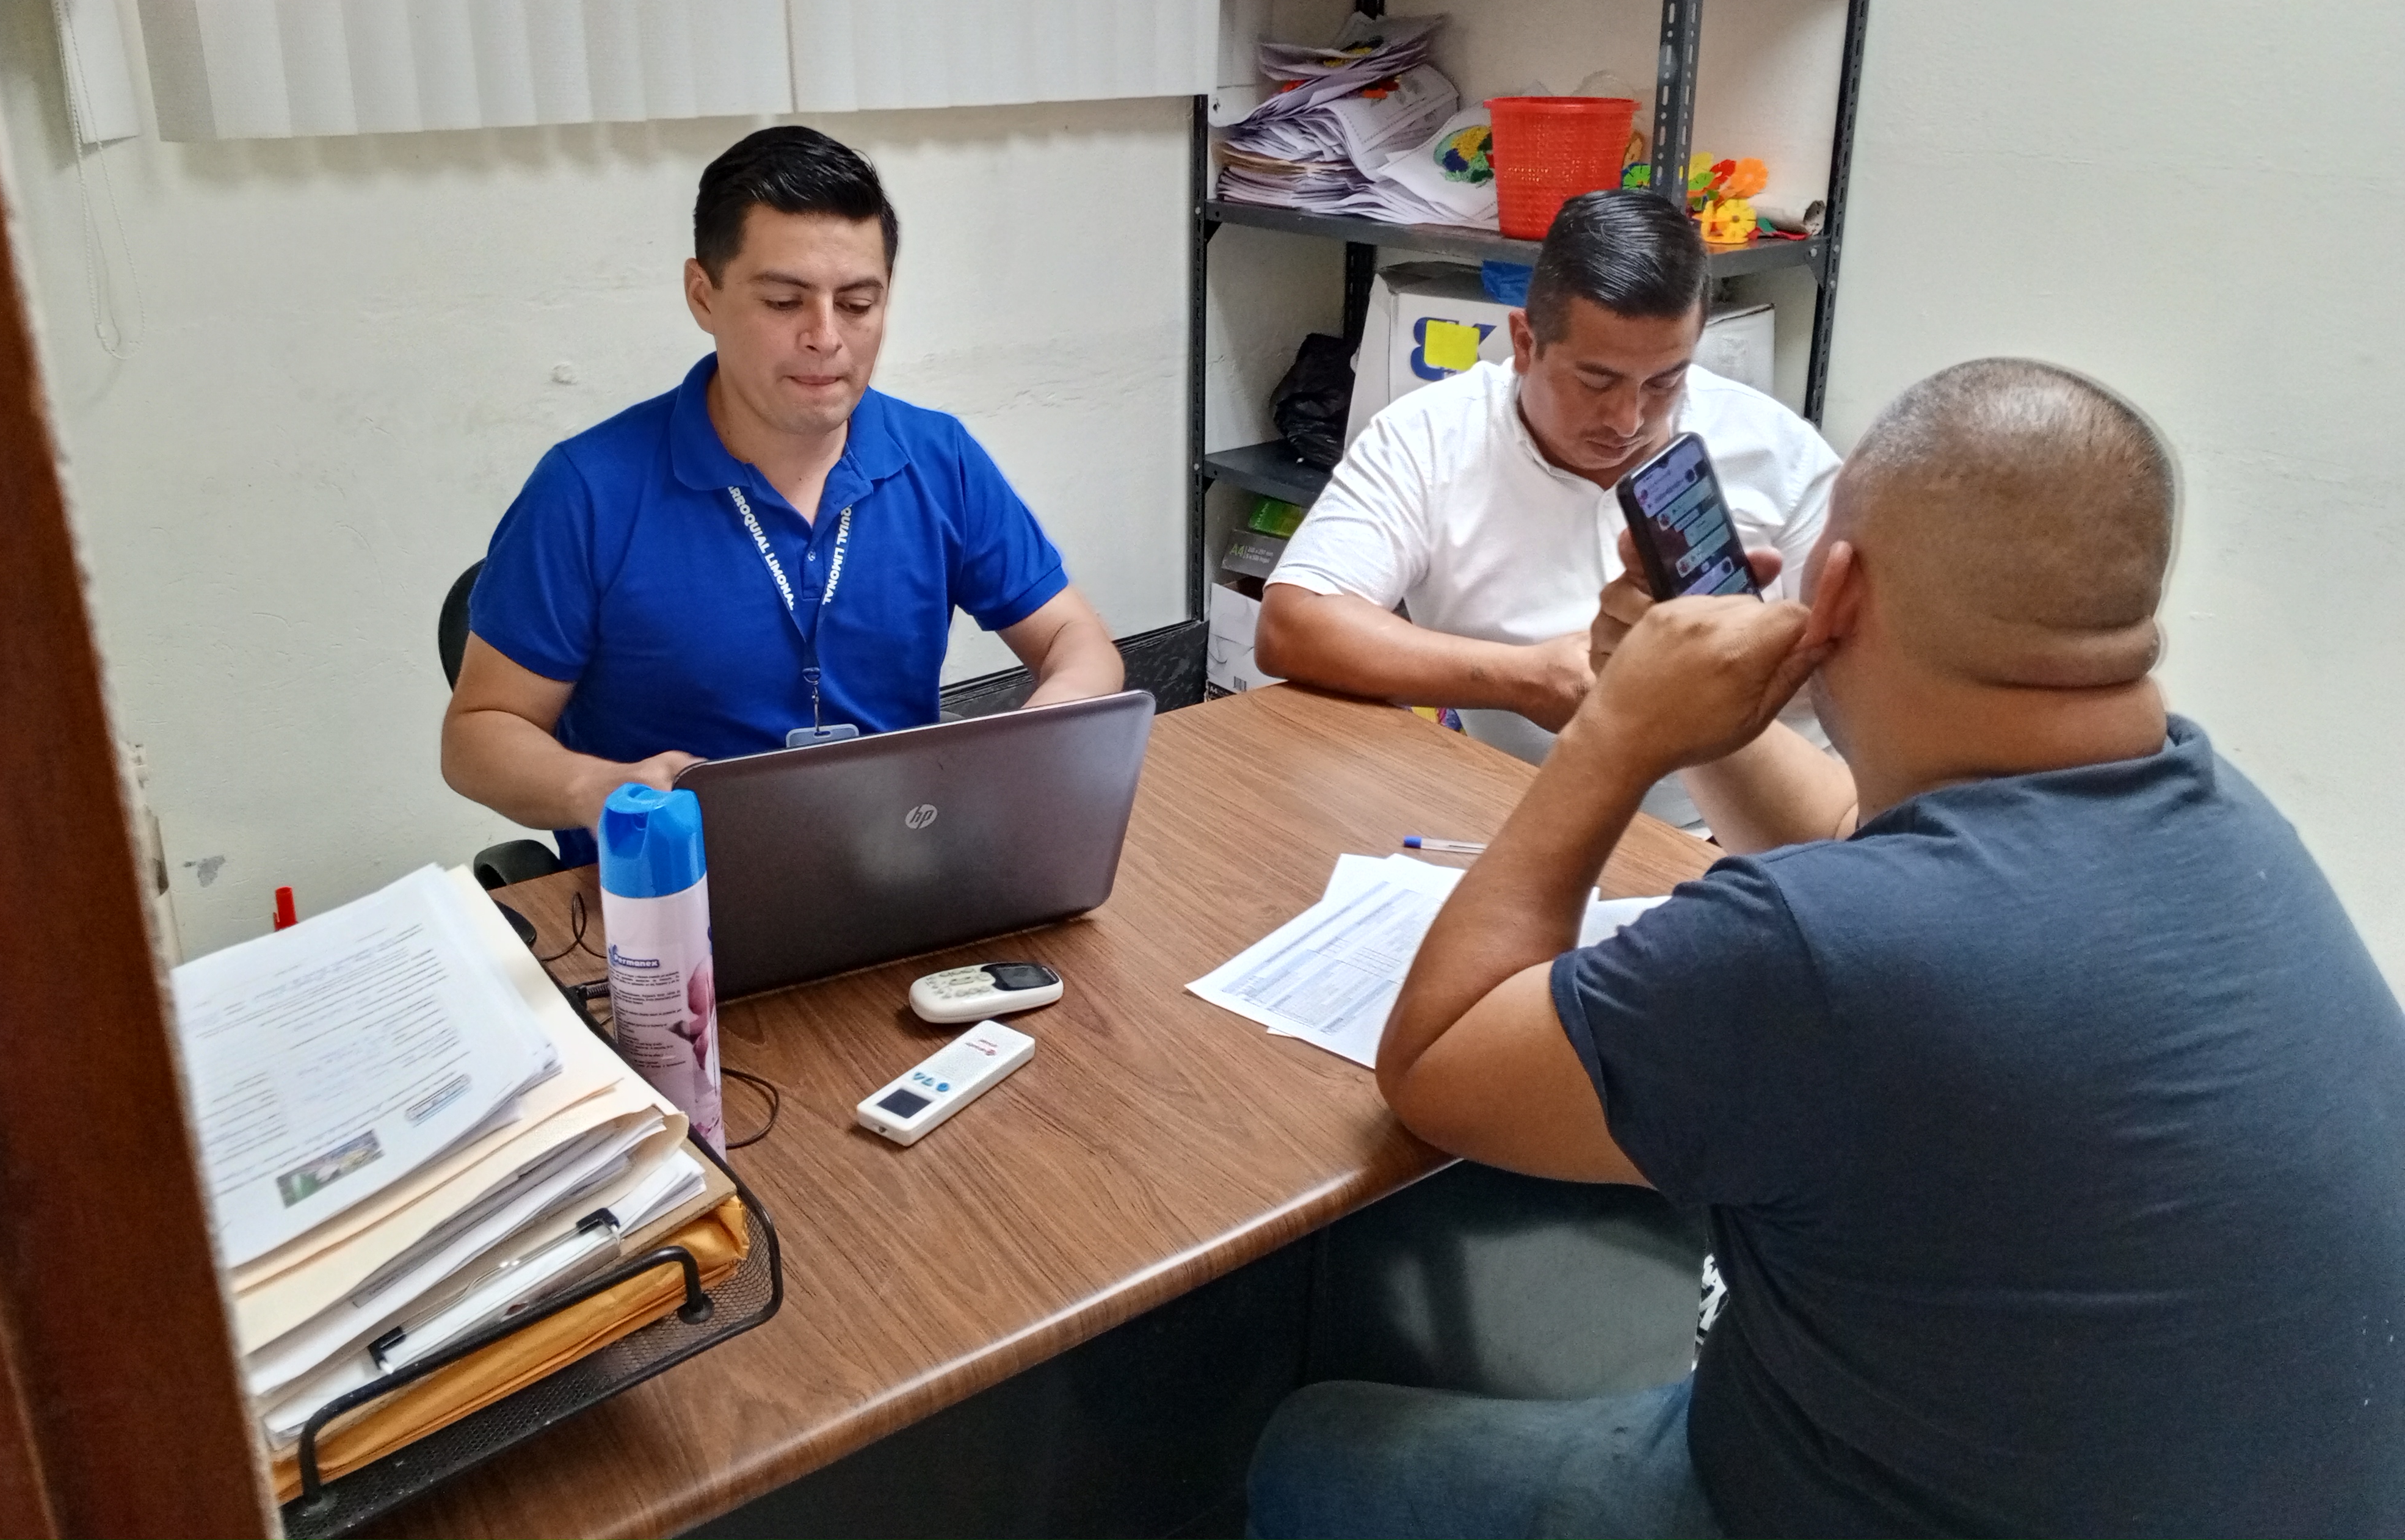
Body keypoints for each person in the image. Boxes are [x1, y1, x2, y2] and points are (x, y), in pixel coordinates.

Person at [1248, 359, 2405, 1540]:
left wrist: (1618, 732)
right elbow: (1864, 837)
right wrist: (1691, 705)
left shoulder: (1824, 951)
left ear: (1836, 585)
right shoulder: (2218, 812)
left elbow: (1438, 1059)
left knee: (1312, 1446)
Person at [442, 126, 1123, 864]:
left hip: (899, 866)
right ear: (703, 295)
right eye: (782, 301)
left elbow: (1077, 641)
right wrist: (597, 788)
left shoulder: (937, 458)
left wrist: (1035, 736)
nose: (825, 337)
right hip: (674, 887)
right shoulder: (587, 491)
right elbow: (478, 736)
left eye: (856, 305)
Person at [1254, 189, 1838, 827]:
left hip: (1749, 836)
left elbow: (1867, 671)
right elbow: (1292, 626)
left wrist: (1744, 670)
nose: (1628, 420)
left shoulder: (1775, 450)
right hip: (1525, 815)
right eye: (1596, 380)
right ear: (1525, 342)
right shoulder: (1430, 436)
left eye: (1665, 380)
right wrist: (1526, 680)